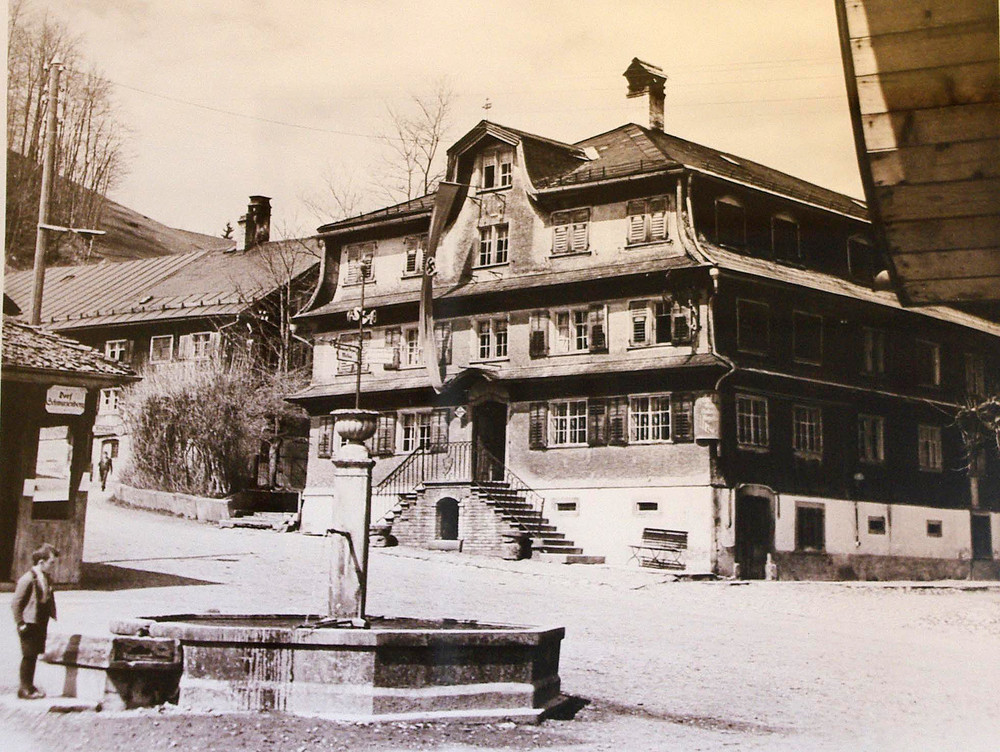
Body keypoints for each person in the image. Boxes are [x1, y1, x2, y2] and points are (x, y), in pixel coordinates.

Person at [11, 543, 59, 700]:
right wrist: (20, 623)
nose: (53, 566)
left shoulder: (45, 577)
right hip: (28, 623)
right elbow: (16, 603)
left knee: (34, 654)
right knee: (28, 655)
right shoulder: (28, 579)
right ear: (41, 562)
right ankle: (24, 688)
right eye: (51, 563)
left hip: (40, 621)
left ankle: (29, 686)